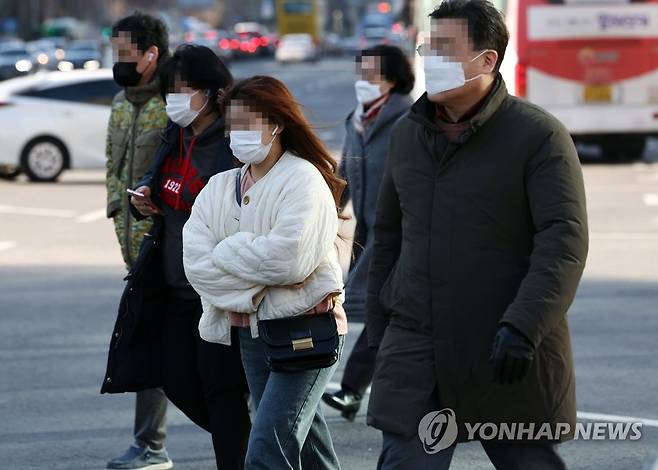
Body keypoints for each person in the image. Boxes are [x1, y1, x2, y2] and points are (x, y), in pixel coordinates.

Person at [366, 1, 589, 469]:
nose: (430, 59)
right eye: (428, 47)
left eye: (446, 49)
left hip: (504, 344)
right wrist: (380, 326)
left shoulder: (537, 136)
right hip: (416, 347)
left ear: (487, 60)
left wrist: (523, 327)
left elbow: (562, 242)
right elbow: (386, 237)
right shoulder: (409, 135)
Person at [182, 76, 347, 470]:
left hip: (305, 331)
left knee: (267, 451)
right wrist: (255, 281)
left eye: (247, 123)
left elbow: (289, 260)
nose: (236, 133)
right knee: (307, 448)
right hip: (251, 334)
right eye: (231, 124)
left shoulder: (303, 181)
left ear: (275, 123)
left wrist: (227, 252)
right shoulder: (220, 187)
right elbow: (195, 265)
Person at [128, 44, 251, 469]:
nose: (173, 101)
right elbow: (156, 176)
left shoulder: (233, 142)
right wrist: (144, 193)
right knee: (177, 380)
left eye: (182, 90)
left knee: (221, 391)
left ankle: (247, 453)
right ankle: (256, 445)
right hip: (174, 286)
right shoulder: (176, 133)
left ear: (213, 91)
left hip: (216, 290)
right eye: (169, 92)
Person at [322, 45, 414, 422]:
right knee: (389, 313)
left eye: (372, 74)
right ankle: (357, 390)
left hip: (403, 234)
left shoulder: (408, 117)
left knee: (383, 310)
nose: (364, 81)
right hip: (368, 233)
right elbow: (345, 171)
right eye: (361, 73)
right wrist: (326, 209)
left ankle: (352, 388)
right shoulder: (355, 120)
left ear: (392, 78)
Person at [105, 12, 171, 470]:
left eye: (126, 55)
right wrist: (115, 204)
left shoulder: (174, 104)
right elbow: (113, 165)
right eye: (115, 54)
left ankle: (151, 445)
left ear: (152, 55)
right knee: (154, 342)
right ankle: (150, 446)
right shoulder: (121, 103)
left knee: (171, 344)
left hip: (169, 247)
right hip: (135, 250)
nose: (119, 63)